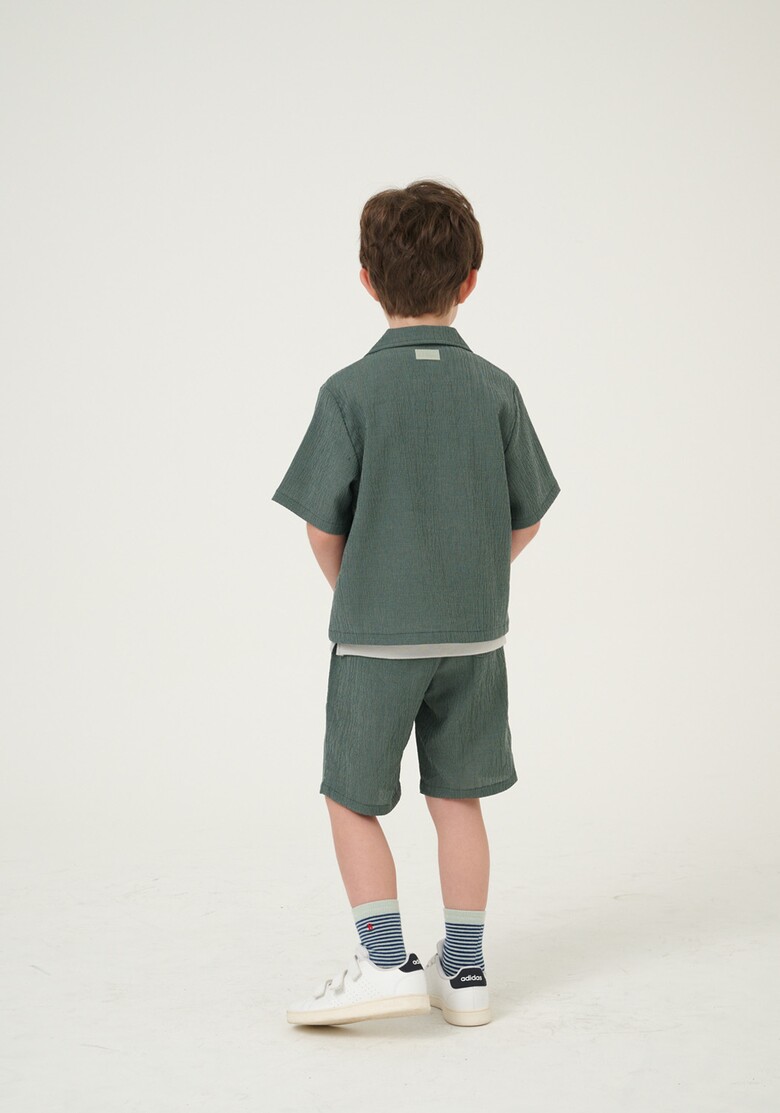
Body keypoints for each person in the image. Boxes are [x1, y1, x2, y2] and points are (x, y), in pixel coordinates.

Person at [272, 179, 561, 1027]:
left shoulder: (350, 391)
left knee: (352, 796)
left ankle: (382, 959)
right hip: (474, 639)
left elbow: (322, 527)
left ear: (367, 279)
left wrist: (363, 590)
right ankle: (464, 973)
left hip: (375, 640)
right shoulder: (496, 388)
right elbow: (529, 513)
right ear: (470, 279)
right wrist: (470, 577)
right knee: (457, 796)